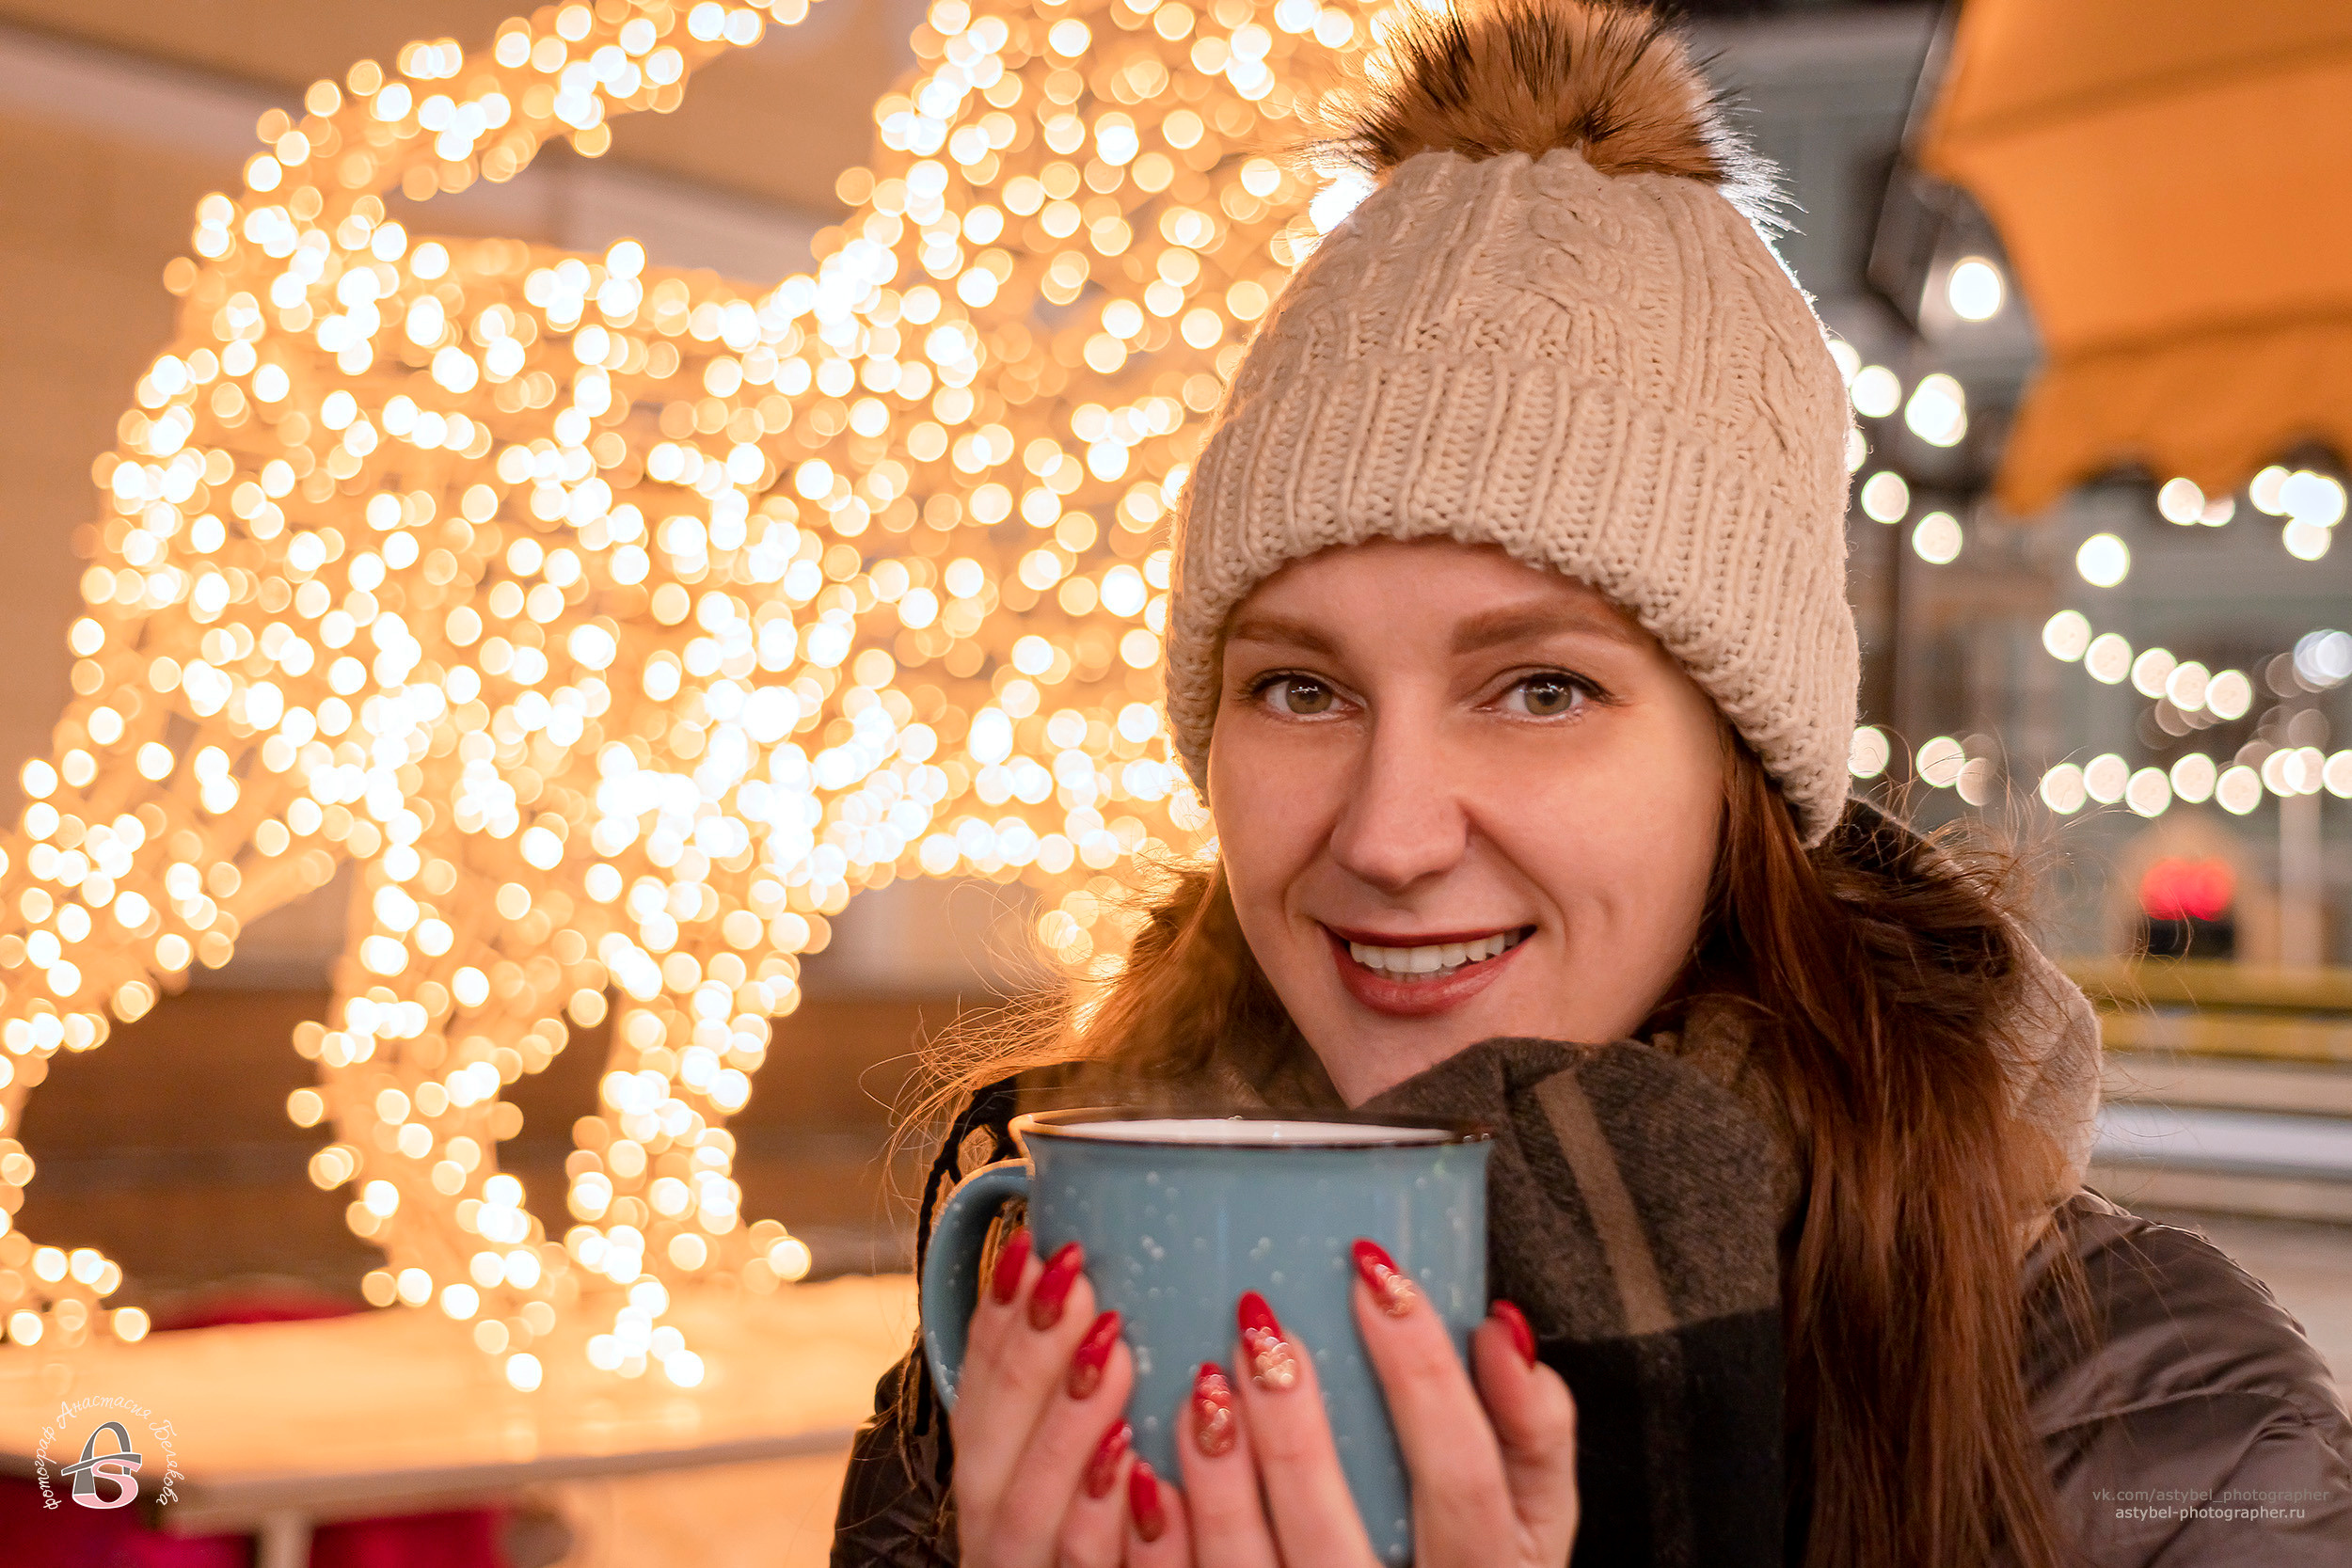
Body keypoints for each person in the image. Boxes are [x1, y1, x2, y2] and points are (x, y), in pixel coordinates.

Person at [831, 2, 2352, 1564]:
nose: (1390, 833)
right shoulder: (1035, 1331)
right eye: (1300, 687)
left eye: (1541, 688)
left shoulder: (2151, 1414)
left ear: (1739, 774)